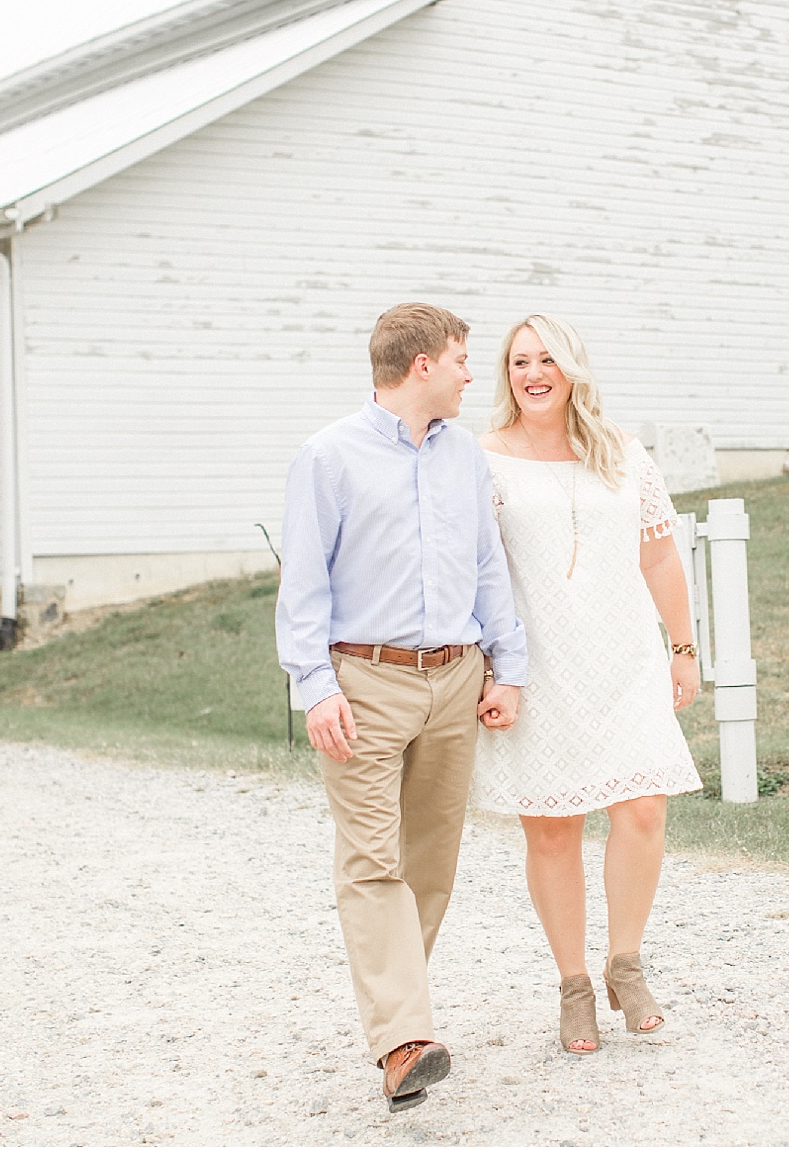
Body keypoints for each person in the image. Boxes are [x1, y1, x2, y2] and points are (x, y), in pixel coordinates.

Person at [276, 303, 527, 1113]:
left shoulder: (464, 456)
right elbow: (303, 585)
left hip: (457, 678)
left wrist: (507, 667)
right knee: (372, 860)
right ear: (420, 364)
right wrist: (314, 685)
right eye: (460, 357)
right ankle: (404, 1039)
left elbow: (489, 565)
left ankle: (395, 1017)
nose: (468, 371)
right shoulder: (328, 457)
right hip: (364, 684)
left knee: (431, 860)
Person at [472, 314, 703, 1055]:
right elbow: (472, 568)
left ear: (573, 366)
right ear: (506, 375)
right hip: (535, 667)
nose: (533, 372)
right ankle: (573, 984)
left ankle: (625, 964)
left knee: (641, 808)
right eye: (518, 362)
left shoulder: (622, 454)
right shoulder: (483, 459)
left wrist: (684, 647)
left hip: (623, 659)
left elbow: (660, 557)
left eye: (546, 359)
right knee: (552, 826)